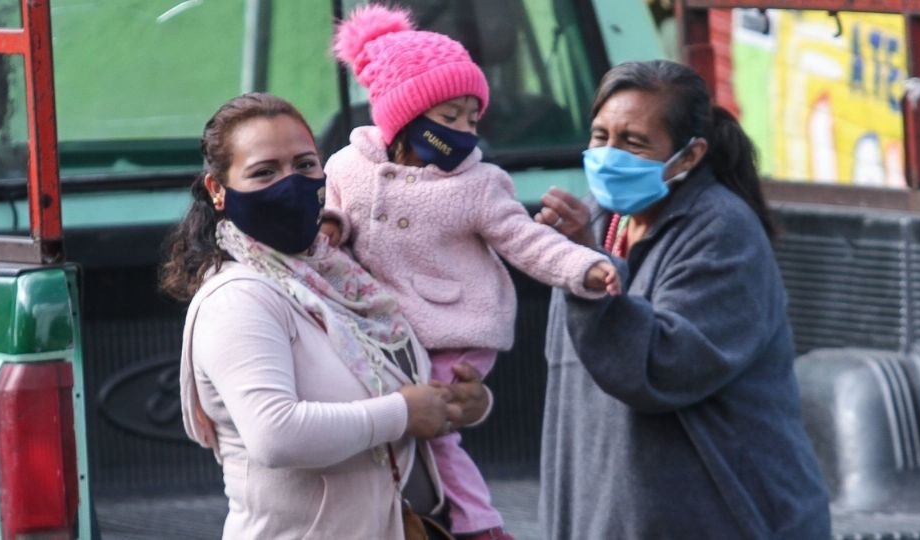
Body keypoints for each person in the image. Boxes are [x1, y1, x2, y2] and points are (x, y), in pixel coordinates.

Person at [321, 5, 620, 539]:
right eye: (449, 117)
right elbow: (335, 214)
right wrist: (328, 227)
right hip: (383, 328)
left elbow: (527, 242)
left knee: (432, 424)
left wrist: (586, 267)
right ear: (402, 116)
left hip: (454, 326)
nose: (464, 131)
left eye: (472, 118)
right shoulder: (345, 165)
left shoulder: (480, 183)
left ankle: (480, 525)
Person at [163, 93, 491, 539]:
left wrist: (462, 405)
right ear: (218, 191)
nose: (291, 183)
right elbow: (275, 435)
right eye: (264, 172)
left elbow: (404, 394)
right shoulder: (237, 298)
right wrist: (401, 414)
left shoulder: (343, 277)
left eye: (304, 165)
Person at [534, 60, 831, 538]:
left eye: (633, 142)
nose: (610, 155)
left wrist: (589, 276)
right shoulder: (595, 220)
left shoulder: (722, 231)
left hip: (725, 519)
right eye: (600, 136)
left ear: (689, 156)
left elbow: (662, 366)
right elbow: (574, 402)